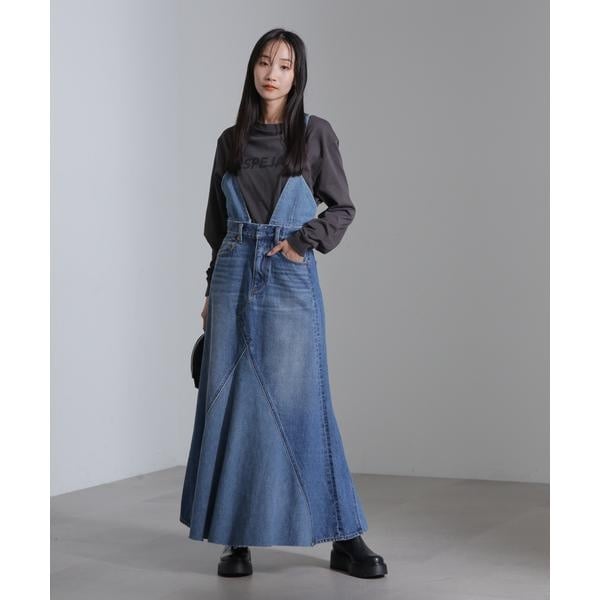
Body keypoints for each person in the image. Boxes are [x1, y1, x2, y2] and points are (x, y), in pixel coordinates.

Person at [179, 28, 388, 579]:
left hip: (287, 277)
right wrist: (210, 289)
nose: (272, 73)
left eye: (285, 65)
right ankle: (236, 539)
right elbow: (216, 226)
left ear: (298, 76)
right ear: (252, 68)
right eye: (265, 62)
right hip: (231, 277)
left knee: (303, 407)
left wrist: (302, 241)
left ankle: (345, 538)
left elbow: (341, 208)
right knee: (231, 405)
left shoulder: (314, 134)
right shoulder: (230, 141)